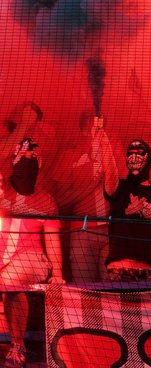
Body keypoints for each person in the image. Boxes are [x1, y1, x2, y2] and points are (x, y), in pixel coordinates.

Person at [0, 138, 63, 368]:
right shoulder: (1, 189)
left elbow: (52, 240)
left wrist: (57, 273)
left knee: (9, 280)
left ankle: (17, 347)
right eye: (24, 158)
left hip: (33, 259)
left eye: (34, 159)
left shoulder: (46, 200)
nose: (29, 163)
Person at [95, 129, 151, 282]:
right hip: (119, 272)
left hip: (150, 272)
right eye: (130, 152)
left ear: (149, 158)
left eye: (139, 152)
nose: (134, 156)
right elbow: (110, 173)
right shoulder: (120, 189)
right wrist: (105, 144)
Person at [52, 112, 111, 282]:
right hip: (81, 231)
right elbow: (60, 201)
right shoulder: (69, 156)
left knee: (113, 286)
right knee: (83, 287)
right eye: (89, 130)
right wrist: (90, 186)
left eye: (99, 130)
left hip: (112, 232)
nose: (93, 135)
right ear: (81, 131)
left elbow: (122, 190)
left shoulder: (114, 154)